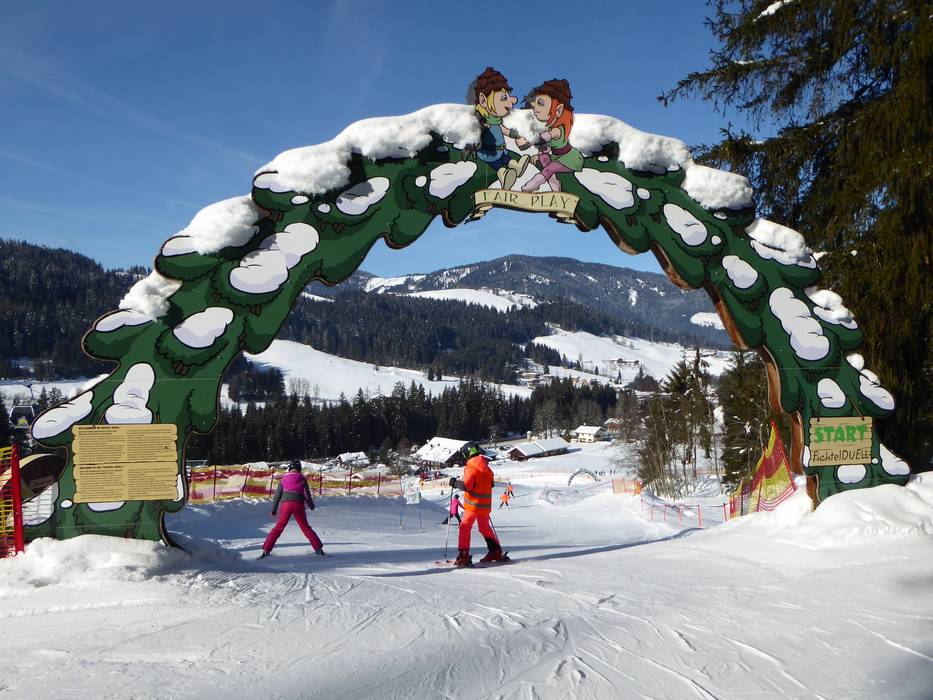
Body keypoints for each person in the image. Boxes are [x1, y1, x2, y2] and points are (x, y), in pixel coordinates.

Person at [470, 67, 530, 190]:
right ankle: (504, 177)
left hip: (502, 151)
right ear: (483, 100)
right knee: (499, 166)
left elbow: (505, 131)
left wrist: (517, 136)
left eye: (508, 96)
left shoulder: (496, 121)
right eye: (503, 98)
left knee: (507, 160)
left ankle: (517, 168)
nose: (511, 101)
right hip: (489, 153)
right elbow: (475, 135)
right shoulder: (484, 122)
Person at [520, 79, 584, 193]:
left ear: (559, 110)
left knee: (550, 168)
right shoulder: (549, 127)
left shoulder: (557, 130)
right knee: (544, 158)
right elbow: (547, 146)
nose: (534, 107)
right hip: (557, 157)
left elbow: (545, 137)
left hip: (570, 159)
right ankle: (555, 187)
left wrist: (530, 141)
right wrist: (539, 155)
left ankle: (536, 182)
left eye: (540, 103)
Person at [448, 442, 506, 567]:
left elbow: (467, 486)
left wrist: (455, 483)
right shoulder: (487, 468)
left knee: (465, 527)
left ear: (468, 454)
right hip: (485, 506)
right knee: (484, 527)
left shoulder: (470, 467)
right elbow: (491, 484)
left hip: (473, 505)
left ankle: (464, 555)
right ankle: (495, 552)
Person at [259, 460, 325, 559]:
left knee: (278, 528)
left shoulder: (283, 479)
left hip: (285, 505)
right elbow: (306, 494)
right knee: (305, 527)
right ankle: (318, 549)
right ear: (299, 468)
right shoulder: (302, 479)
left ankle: (266, 550)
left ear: (289, 468)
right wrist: (311, 505)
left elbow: (277, 496)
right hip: (298, 504)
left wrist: (274, 509)